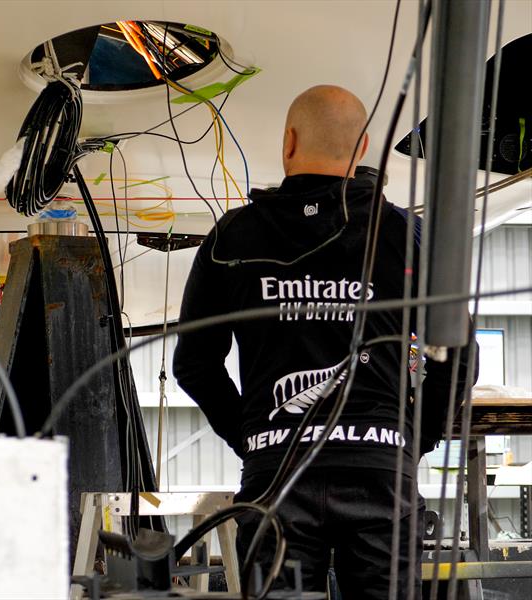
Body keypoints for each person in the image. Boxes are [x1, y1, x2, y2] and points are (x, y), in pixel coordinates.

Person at [172, 85, 475, 597]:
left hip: (277, 473)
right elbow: (459, 355)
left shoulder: (232, 237)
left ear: (288, 142)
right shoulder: (407, 234)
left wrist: (254, 438)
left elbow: (195, 365)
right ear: (362, 150)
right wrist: (410, 438)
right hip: (380, 471)